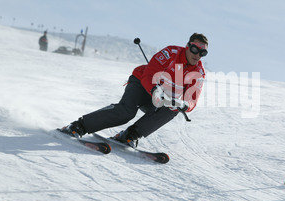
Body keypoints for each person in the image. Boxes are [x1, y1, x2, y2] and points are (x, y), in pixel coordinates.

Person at [60, 33, 208, 147]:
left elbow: (192, 99)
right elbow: (149, 74)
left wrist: (184, 104)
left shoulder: (198, 72)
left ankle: (130, 135)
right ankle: (79, 126)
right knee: (126, 112)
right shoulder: (171, 52)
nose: (197, 55)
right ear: (188, 46)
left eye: (202, 53)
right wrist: (154, 89)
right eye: (195, 49)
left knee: (173, 109)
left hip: (160, 99)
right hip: (142, 84)